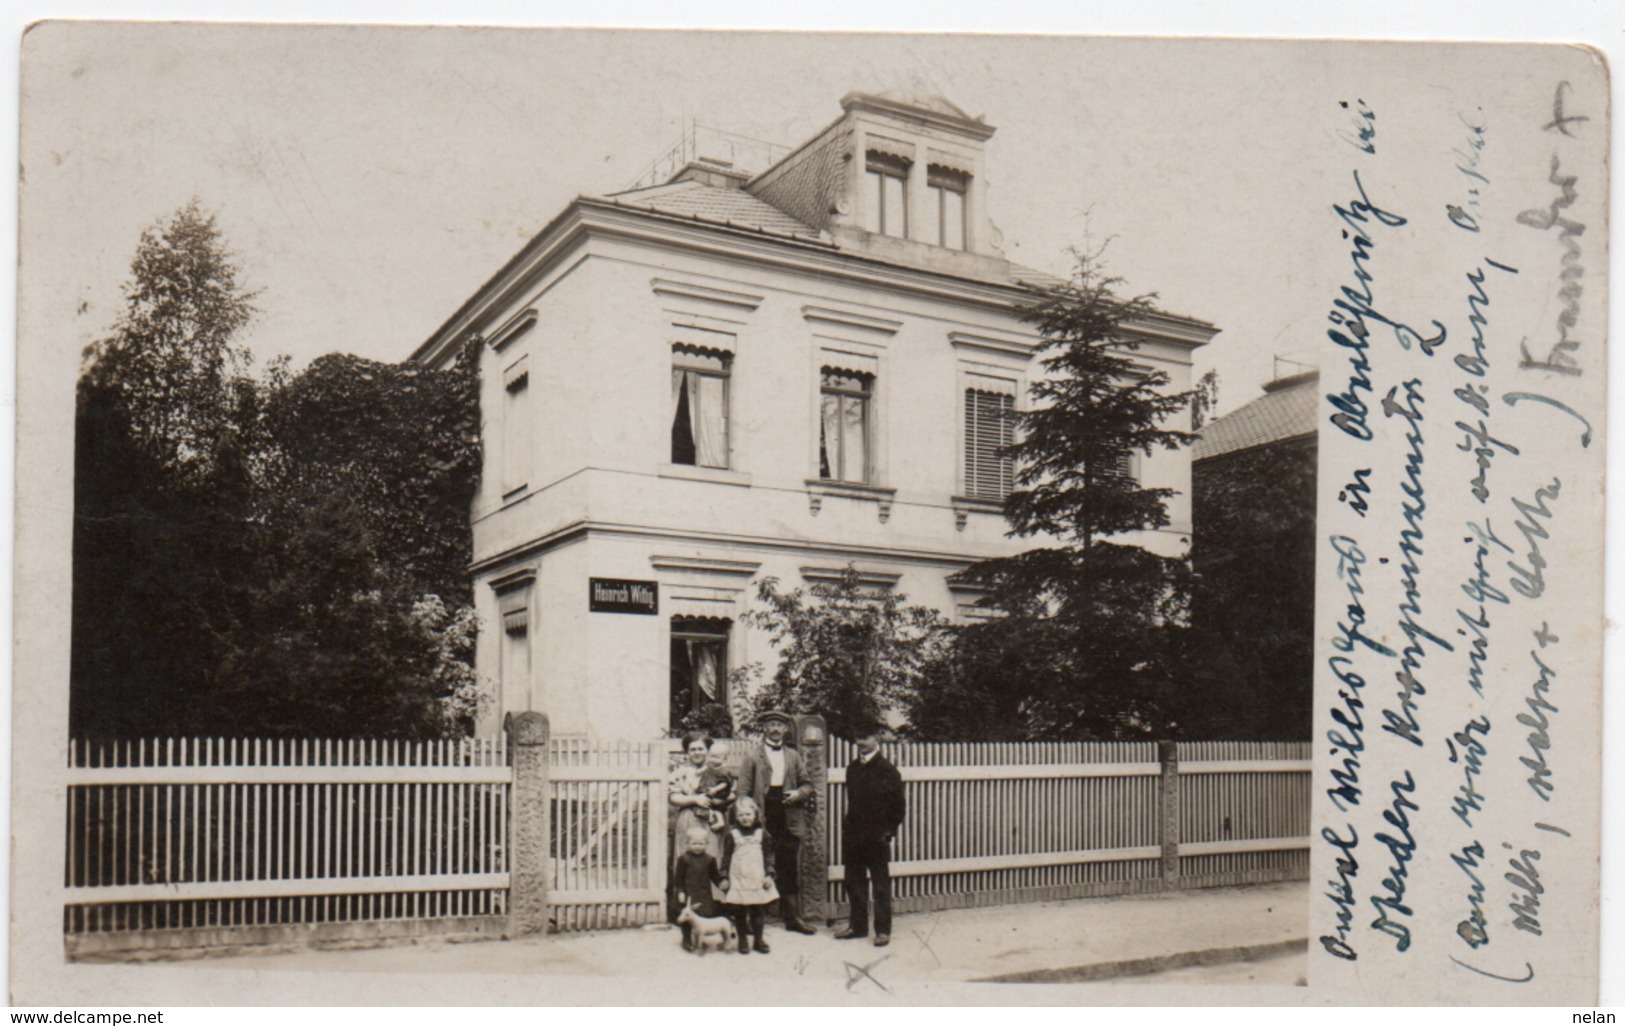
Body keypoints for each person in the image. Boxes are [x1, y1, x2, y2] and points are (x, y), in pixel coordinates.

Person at [735, 710, 817, 935]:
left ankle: (792, 918)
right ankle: (754, 918)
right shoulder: (752, 757)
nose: (775, 729)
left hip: (788, 814)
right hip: (763, 815)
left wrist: (797, 794)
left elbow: (808, 784)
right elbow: (742, 792)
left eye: (779, 725)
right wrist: (750, 817)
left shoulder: (793, 756)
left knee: (788, 865)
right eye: (770, 724)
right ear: (764, 728)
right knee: (756, 864)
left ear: (786, 730)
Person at [835, 723, 904, 947]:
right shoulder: (852, 768)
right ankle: (858, 927)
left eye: (866, 737)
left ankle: (883, 930)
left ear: (877, 738)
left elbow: (898, 807)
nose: (861, 742)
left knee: (880, 885)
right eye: (858, 737)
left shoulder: (887, 770)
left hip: (877, 838)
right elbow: (853, 804)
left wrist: (888, 832)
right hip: (854, 836)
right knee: (854, 883)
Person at [668, 731, 723, 923]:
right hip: (688, 818)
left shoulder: (716, 772)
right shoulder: (681, 773)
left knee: (711, 857)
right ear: (686, 753)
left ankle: (712, 908)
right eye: (692, 750)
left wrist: (716, 805)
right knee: (686, 859)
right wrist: (694, 799)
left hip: (710, 819)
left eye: (701, 749)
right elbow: (674, 797)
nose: (697, 753)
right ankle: (683, 908)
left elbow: (728, 795)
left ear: (708, 751)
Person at [720, 797, 779, 953]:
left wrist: (769, 874)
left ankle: (759, 940)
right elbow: (725, 858)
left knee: (758, 911)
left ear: (755, 815)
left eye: (748, 814)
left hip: (757, 879)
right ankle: (743, 941)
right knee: (739, 911)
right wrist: (724, 877)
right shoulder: (731, 835)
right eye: (741, 815)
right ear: (735, 817)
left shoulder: (763, 834)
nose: (745, 818)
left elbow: (769, 855)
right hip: (738, 879)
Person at [672, 826, 727, 952]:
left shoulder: (709, 859)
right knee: (687, 918)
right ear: (687, 843)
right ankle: (687, 940)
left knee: (700, 917)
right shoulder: (684, 859)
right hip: (688, 893)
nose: (698, 846)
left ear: (707, 844)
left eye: (701, 844)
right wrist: (680, 891)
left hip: (703, 893)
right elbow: (678, 878)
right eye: (694, 843)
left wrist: (721, 883)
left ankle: (699, 939)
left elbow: (714, 876)